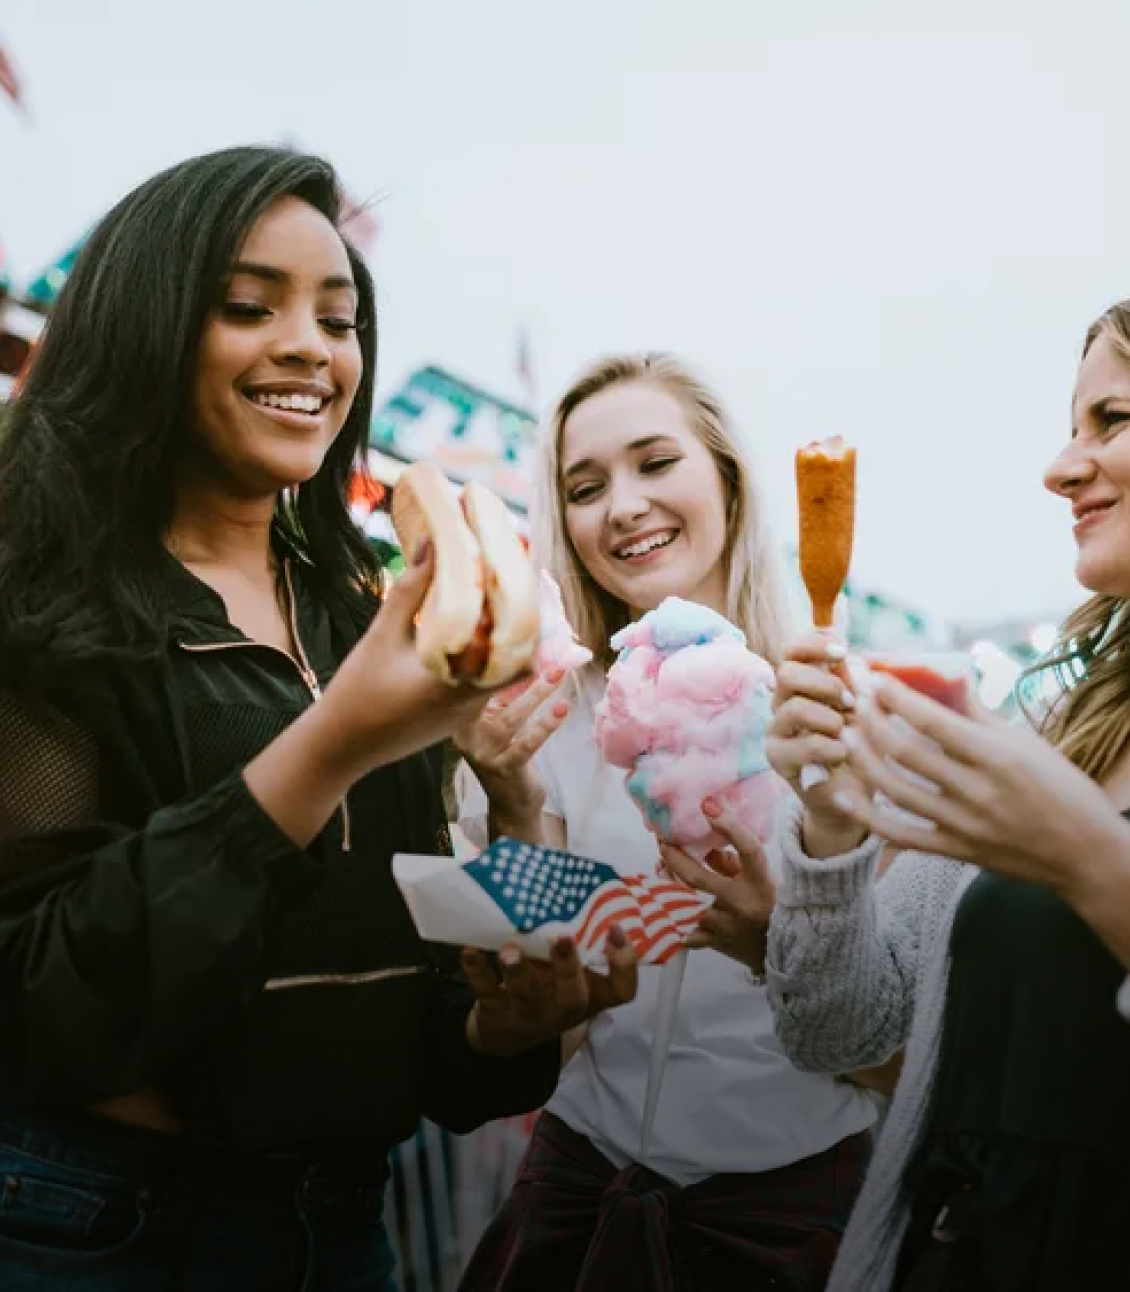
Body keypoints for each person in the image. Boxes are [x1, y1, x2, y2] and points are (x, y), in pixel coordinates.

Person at [0, 145, 637, 1290]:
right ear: (143, 325)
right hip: (102, 1226)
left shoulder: (364, 614)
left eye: (338, 319)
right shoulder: (43, 595)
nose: (309, 347)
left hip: (346, 1228)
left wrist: (514, 949)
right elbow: (41, 1007)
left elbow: (436, 1021)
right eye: (250, 306)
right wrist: (332, 743)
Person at [702, 301, 1130, 1290]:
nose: (1059, 466)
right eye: (1070, 426)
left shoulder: (1039, 785)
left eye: (1110, 418)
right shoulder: (1047, 730)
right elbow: (837, 1030)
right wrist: (831, 828)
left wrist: (1083, 853)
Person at [454, 353, 876, 1292]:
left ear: (726, 477)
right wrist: (513, 801)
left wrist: (779, 942)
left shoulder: (837, 710)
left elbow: (894, 1039)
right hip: (583, 1178)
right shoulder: (553, 714)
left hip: (790, 1204)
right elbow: (529, 976)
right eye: (586, 486)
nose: (624, 506)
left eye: (655, 463)